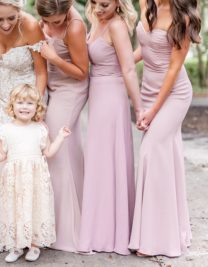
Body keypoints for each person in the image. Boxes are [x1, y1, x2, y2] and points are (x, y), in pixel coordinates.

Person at [129, 0, 201, 257]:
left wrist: (153, 110)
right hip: (149, 91)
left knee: (151, 152)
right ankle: (164, 230)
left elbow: (173, 68)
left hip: (173, 95)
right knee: (163, 157)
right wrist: (122, 64)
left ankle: (157, 239)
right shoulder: (145, 4)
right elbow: (145, 48)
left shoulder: (183, 17)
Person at [0, 0, 47, 252]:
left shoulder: (30, 26)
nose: (6, 24)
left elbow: (41, 72)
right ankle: (3, 232)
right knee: (1, 168)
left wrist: (36, 109)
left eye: (11, 18)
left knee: (24, 169)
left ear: (19, 12)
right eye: (0, 19)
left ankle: (29, 234)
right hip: (3, 103)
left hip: (27, 103)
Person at [77, 0, 144, 255]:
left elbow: (128, 68)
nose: (98, 7)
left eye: (104, 3)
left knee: (108, 159)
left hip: (112, 95)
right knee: (99, 161)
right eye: (94, 2)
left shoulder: (116, 26)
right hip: (97, 94)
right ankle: (99, 227)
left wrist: (137, 109)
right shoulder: (96, 22)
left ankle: (112, 233)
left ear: (117, 2)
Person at [0, 84, 69, 262]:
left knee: (35, 208)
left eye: (29, 103)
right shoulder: (4, 129)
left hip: (35, 179)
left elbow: (48, 152)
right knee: (16, 210)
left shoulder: (40, 129)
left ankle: (34, 245)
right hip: (14, 180)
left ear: (36, 107)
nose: (24, 107)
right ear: (12, 106)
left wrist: (60, 137)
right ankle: (17, 245)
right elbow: (1, 154)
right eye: (20, 102)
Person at [35, 0, 89, 252]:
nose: (51, 25)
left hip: (71, 89)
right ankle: (77, 219)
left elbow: (82, 72)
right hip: (53, 87)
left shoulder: (75, 26)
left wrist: (53, 57)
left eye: (57, 21)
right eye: (47, 21)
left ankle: (65, 231)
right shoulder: (45, 19)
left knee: (53, 152)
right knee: (69, 149)